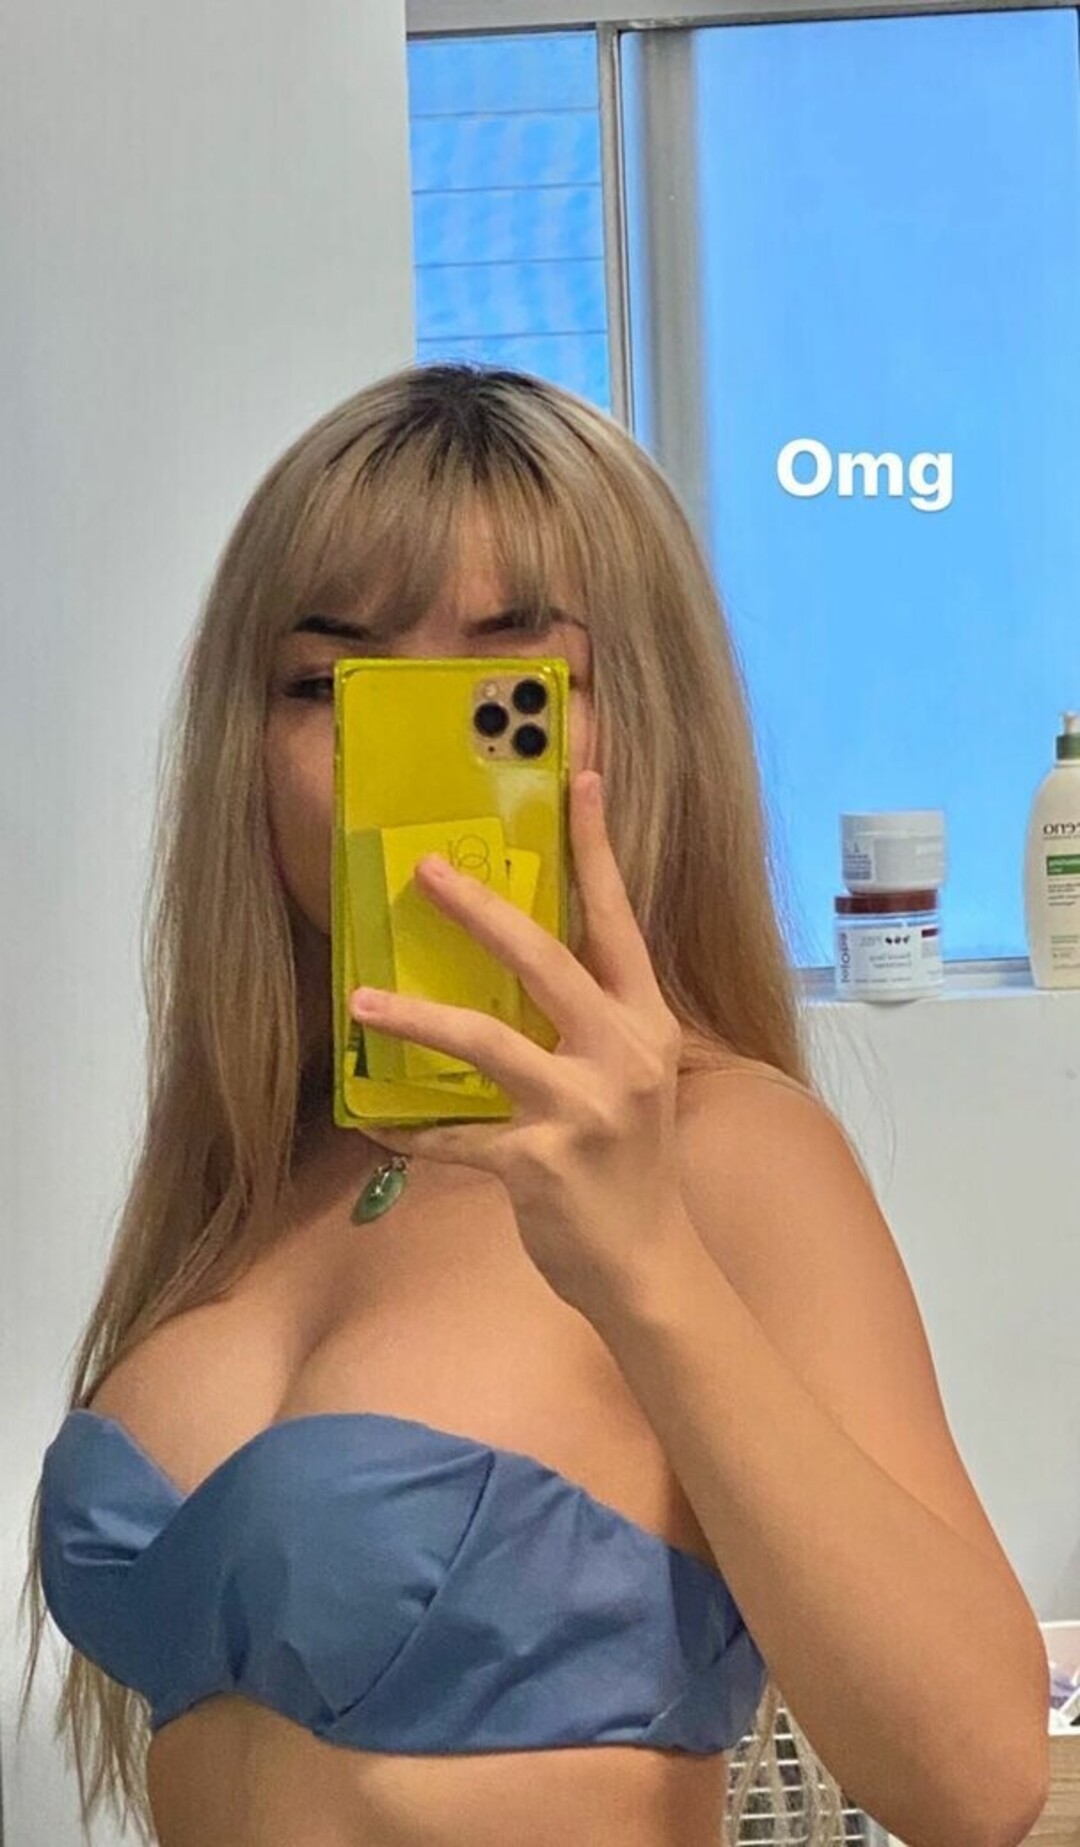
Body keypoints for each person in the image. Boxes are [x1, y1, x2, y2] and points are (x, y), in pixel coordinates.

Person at [19, 364, 1048, 1847]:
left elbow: (978, 1781)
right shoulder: (255, 1181)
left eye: (502, 694)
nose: (397, 756)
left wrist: (645, 1264)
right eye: (325, 685)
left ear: (636, 729)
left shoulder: (722, 1152)